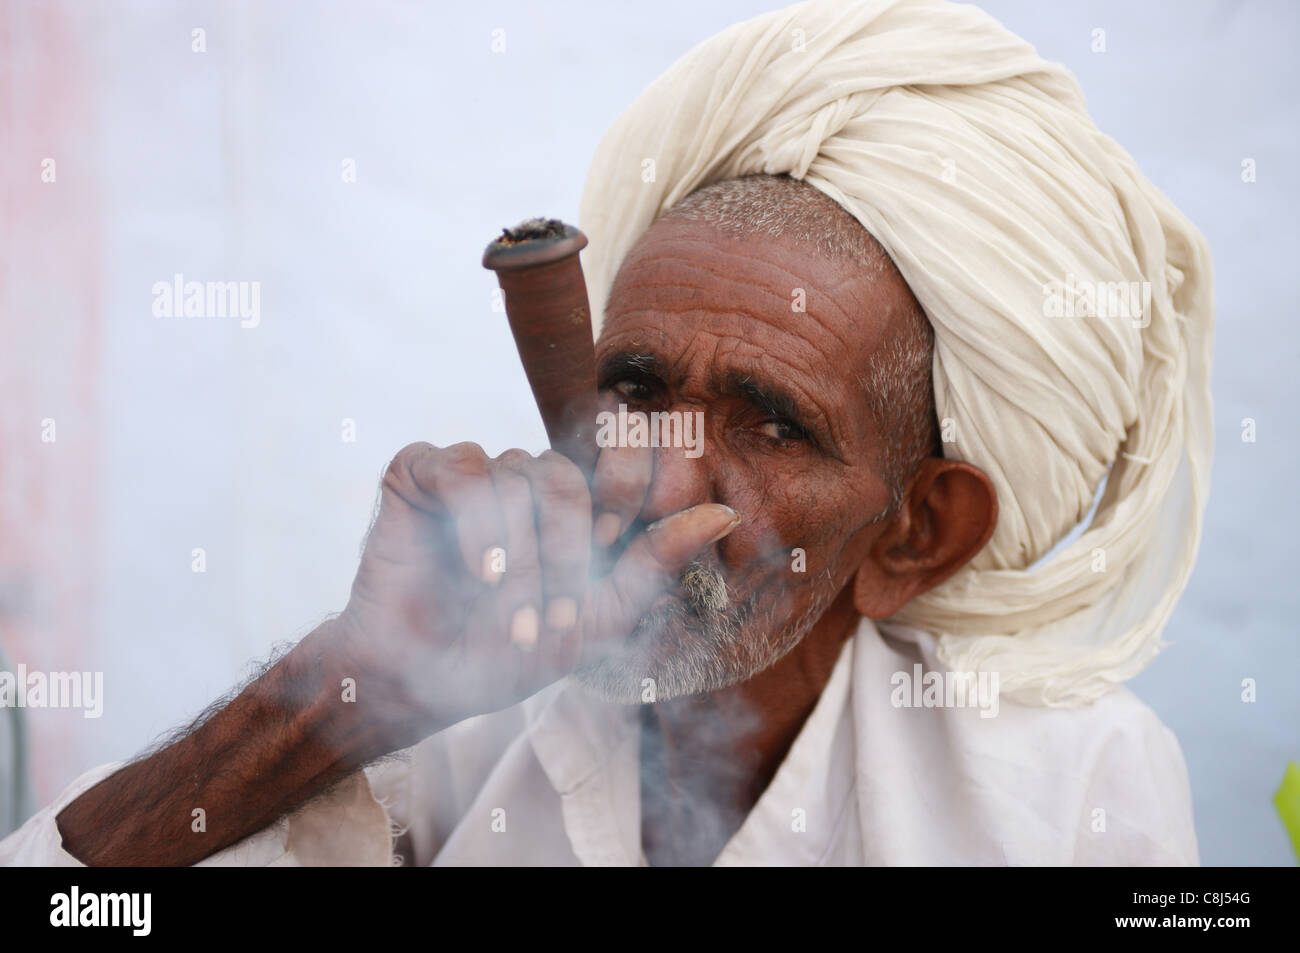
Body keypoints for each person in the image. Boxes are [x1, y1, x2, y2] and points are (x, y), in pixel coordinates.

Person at [0, 0, 1210, 866]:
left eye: (773, 423)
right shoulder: (442, 724)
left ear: (915, 533)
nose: (660, 467)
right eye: (634, 390)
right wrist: (349, 684)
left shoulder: (1071, 784)